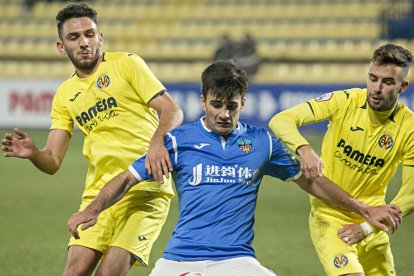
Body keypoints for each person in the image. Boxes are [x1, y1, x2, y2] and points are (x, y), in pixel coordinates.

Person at [67, 61, 400, 276]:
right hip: (178, 260)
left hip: (236, 262)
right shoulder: (179, 141)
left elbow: (314, 184)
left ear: (243, 103)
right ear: (202, 101)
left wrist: (362, 209)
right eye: (216, 104)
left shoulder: (262, 144)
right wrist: (93, 209)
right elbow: (128, 178)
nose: (224, 113)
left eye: (231, 105)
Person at [1, 3, 183, 276]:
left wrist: (157, 142)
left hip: (145, 191)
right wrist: (34, 154)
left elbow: (172, 110)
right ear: (62, 47)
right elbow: (52, 161)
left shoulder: (127, 64)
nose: (83, 42)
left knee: (107, 274)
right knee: (73, 273)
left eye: (89, 34)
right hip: (98, 195)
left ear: (100, 37)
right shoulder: (64, 95)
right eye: (74, 37)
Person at [269, 43, 414, 275]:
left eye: (387, 82)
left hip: (374, 223)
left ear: (402, 86)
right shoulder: (345, 101)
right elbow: (281, 119)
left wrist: (367, 229)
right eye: (372, 78)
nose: (376, 88)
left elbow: (411, 194)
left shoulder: (409, 128)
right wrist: (304, 148)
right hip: (330, 217)